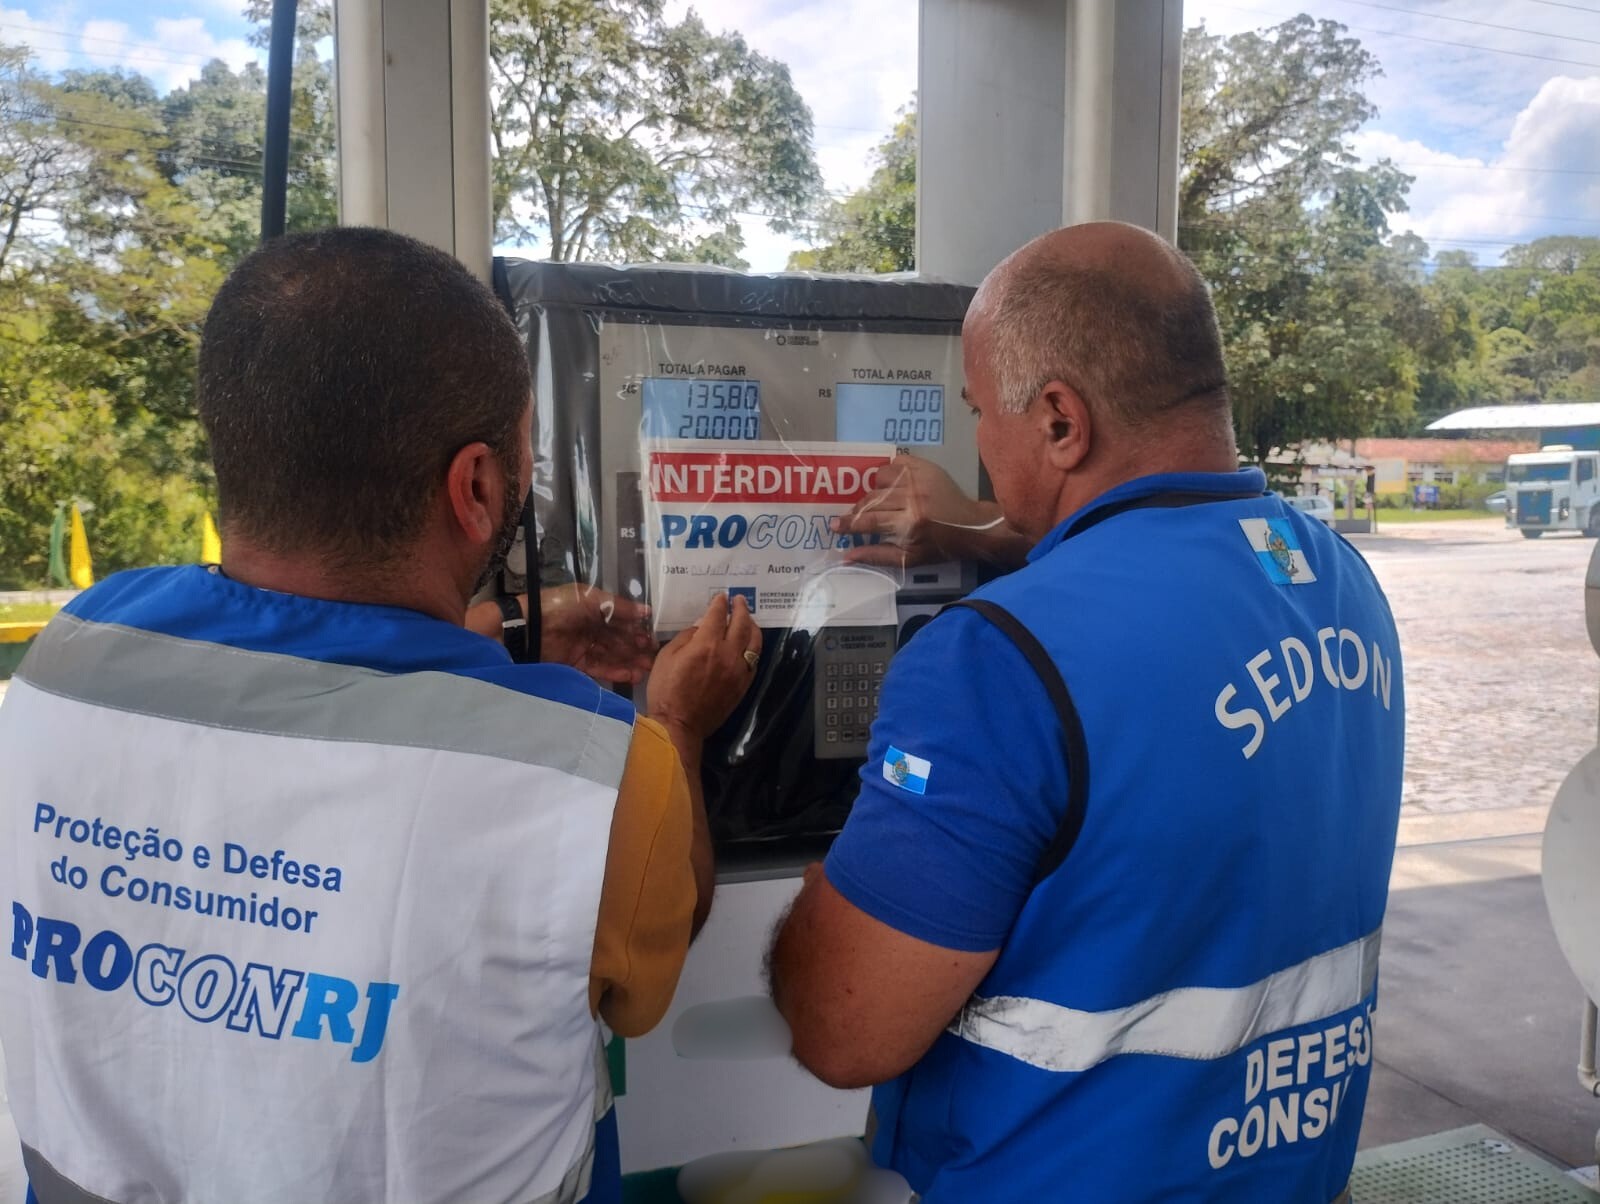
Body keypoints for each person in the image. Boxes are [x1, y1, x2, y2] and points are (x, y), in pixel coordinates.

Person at [0, 227, 761, 1204]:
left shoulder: (75, 657)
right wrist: (679, 729)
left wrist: (496, 628)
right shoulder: (599, 779)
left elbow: (295, 683)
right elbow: (663, 944)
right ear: (477, 486)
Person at [768, 221, 1405, 1203]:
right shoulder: (1336, 580)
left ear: (1060, 422)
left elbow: (843, 1028)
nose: (976, 448)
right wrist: (973, 533)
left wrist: (821, 907)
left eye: (980, 412)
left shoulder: (989, 663)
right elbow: (1153, 600)